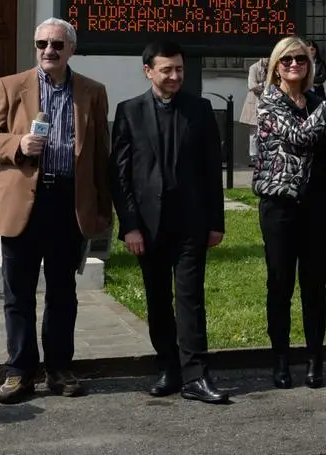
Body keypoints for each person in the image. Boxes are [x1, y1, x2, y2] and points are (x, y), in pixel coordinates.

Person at [0, 17, 112, 405]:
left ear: (71, 49)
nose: (48, 51)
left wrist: (103, 208)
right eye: (41, 44)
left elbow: (100, 154)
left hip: (68, 203)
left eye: (56, 44)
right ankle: (19, 371)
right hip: (23, 203)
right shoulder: (10, 86)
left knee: (62, 292)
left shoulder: (92, 91)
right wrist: (18, 144)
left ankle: (59, 367)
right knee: (18, 293)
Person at [110, 40, 229, 404]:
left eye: (179, 69)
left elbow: (212, 170)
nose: (175, 76)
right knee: (158, 300)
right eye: (167, 70)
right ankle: (168, 369)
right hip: (147, 227)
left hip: (191, 224)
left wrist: (216, 222)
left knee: (190, 300)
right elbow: (120, 175)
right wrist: (129, 225)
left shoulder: (201, 109)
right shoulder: (129, 112)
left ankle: (196, 375)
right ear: (149, 71)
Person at [252, 37, 326, 390]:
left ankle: (315, 360)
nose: (295, 65)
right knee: (280, 285)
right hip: (280, 206)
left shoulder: (313, 100)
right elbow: (296, 136)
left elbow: (324, 156)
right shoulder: (268, 103)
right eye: (287, 60)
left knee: (315, 287)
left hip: (317, 207)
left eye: (301, 59)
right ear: (275, 66)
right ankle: (280, 361)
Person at [240, 57, 269, 166]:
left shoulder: (273, 67)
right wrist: (265, 86)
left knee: (267, 128)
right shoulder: (254, 67)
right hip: (255, 101)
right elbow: (252, 85)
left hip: (268, 101)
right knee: (254, 130)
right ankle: (254, 157)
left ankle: (265, 154)